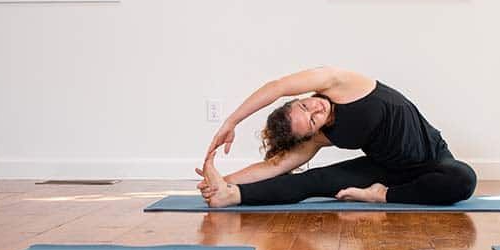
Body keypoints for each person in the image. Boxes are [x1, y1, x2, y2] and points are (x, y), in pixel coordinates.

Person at [195, 67, 477, 207]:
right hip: (385, 170)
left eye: (305, 106)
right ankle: (232, 197)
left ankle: (381, 196)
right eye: (312, 121)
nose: (315, 109)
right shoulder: (319, 137)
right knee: (311, 181)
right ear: (313, 131)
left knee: (463, 180)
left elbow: (277, 86)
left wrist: (231, 122)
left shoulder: (340, 84)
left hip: (432, 159)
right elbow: (275, 166)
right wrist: (225, 181)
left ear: (298, 99)